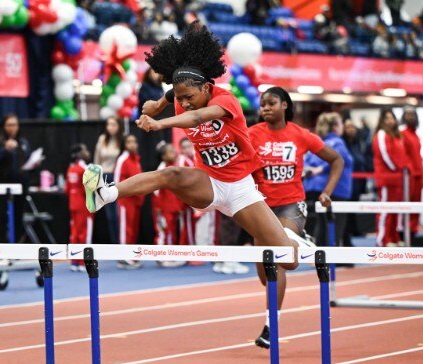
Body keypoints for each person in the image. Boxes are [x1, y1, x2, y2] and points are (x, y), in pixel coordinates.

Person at [84, 23, 306, 302]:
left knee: (288, 260)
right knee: (171, 174)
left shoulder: (226, 101)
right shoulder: (181, 97)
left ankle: (293, 238)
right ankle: (105, 194)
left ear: (206, 87)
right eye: (180, 98)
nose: (185, 103)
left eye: (189, 97)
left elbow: (198, 117)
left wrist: (159, 121)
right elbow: (174, 93)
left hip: (241, 189)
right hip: (209, 182)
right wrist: (158, 103)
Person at [250, 89, 344, 348]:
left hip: (292, 205)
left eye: (271, 103)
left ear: (284, 105)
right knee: (266, 274)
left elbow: (336, 160)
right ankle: (299, 241)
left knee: (278, 262)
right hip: (260, 207)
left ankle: (270, 327)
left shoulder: (300, 134)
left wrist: (327, 192)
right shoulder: (252, 134)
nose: (265, 108)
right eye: (262, 104)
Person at [304, 112, 352, 249]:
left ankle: (317, 256)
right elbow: (337, 160)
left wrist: (312, 170)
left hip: (314, 188)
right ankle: (331, 257)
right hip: (335, 189)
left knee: (321, 226)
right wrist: (320, 169)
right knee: (335, 228)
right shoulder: (338, 142)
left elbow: (306, 162)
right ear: (335, 126)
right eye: (341, 123)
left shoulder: (319, 142)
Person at [0, 113, 32, 243]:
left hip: (21, 184)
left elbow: (28, 160)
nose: (12, 128)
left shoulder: (23, 142)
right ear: (4, 126)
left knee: (18, 216)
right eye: (9, 125)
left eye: (15, 125)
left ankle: (16, 245)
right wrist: (5, 150)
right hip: (3, 183)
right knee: (3, 216)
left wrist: (33, 164)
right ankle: (1, 245)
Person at [373, 108, 407, 247]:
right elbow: (384, 154)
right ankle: (383, 239)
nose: (390, 121)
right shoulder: (381, 134)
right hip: (386, 179)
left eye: (392, 117)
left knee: (395, 210)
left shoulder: (397, 136)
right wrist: (396, 167)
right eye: (387, 118)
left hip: (398, 178)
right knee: (385, 210)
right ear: (382, 120)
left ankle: (394, 237)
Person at [114, 134, 145, 269]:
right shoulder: (123, 159)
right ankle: (124, 257)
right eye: (129, 142)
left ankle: (131, 256)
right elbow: (116, 181)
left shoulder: (136, 159)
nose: (132, 144)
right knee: (126, 229)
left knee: (133, 229)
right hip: (126, 201)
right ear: (124, 145)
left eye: (134, 142)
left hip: (136, 200)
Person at [153, 142, 186, 268]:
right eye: (170, 151)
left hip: (174, 206)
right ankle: (160, 256)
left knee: (172, 232)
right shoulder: (162, 169)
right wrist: (158, 208)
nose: (174, 152)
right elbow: (156, 191)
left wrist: (180, 205)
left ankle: (171, 255)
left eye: (174, 149)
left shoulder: (177, 166)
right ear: (164, 156)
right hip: (164, 207)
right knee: (163, 232)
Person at [94, 116, 123, 244]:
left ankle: (122, 241)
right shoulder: (102, 139)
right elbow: (97, 160)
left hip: (117, 176)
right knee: (110, 214)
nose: (110, 127)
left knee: (118, 213)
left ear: (119, 126)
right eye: (108, 125)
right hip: (104, 176)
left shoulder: (122, 140)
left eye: (113, 125)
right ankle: (114, 242)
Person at [66, 144, 93, 272]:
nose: (87, 152)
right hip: (84, 205)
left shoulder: (71, 168)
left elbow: (67, 189)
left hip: (73, 203)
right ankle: (84, 262)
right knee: (84, 233)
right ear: (79, 154)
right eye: (85, 150)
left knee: (75, 232)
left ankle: (74, 261)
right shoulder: (85, 169)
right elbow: (88, 190)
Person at [400, 108, 423, 235]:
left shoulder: (416, 135)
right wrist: (409, 169)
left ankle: (413, 229)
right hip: (409, 176)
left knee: (417, 203)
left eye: (412, 114)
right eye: (408, 115)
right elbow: (403, 154)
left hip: (419, 174)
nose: (410, 117)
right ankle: (405, 230)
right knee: (407, 203)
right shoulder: (402, 134)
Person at [177, 137, 197, 245]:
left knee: (192, 225)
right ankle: (190, 248)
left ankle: (192, 246)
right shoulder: (182, 160)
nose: (187, 149)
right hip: (188, 199)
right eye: (184, 148)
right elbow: (182, 182)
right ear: (181, 149)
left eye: (189, 146)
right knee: (188, 224)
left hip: (196, 196)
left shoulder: (195, 157)